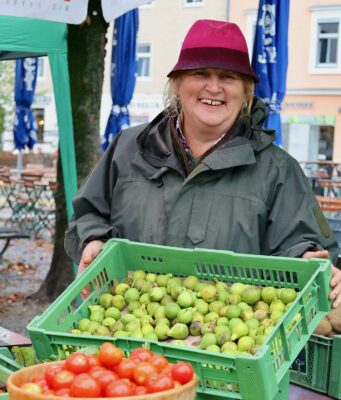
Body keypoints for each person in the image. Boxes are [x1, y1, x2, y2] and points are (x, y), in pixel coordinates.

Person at [65, 19, 341, 308]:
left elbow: (301, 246)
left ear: (246, 91)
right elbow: (88, 214)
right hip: (121, 331)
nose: (214, 87)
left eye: (228, 77)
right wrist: (92, 240)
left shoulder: (277, 169)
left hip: (228, 343)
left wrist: (308, 259)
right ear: (178, 83)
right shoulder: (128, 148)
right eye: (200, 73)